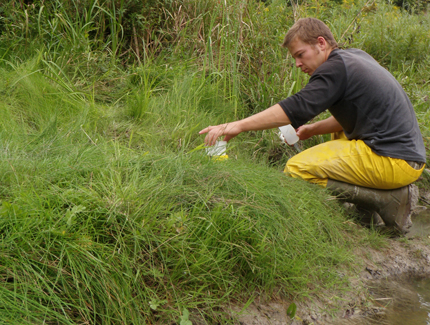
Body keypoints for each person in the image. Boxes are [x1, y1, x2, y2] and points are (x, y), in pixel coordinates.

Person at [199, 17, 426, 234]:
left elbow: (295, 108)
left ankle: (388, 200)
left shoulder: (334, 69)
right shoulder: (354, 57)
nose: (298, 64)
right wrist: (311, 129)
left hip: (393, 160)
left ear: (321, 43)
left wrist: (238, 125)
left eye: (300, 55)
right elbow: (361, 114)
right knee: (341, 131)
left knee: (297, 169)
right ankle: (365, 212)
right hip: (406, 157)